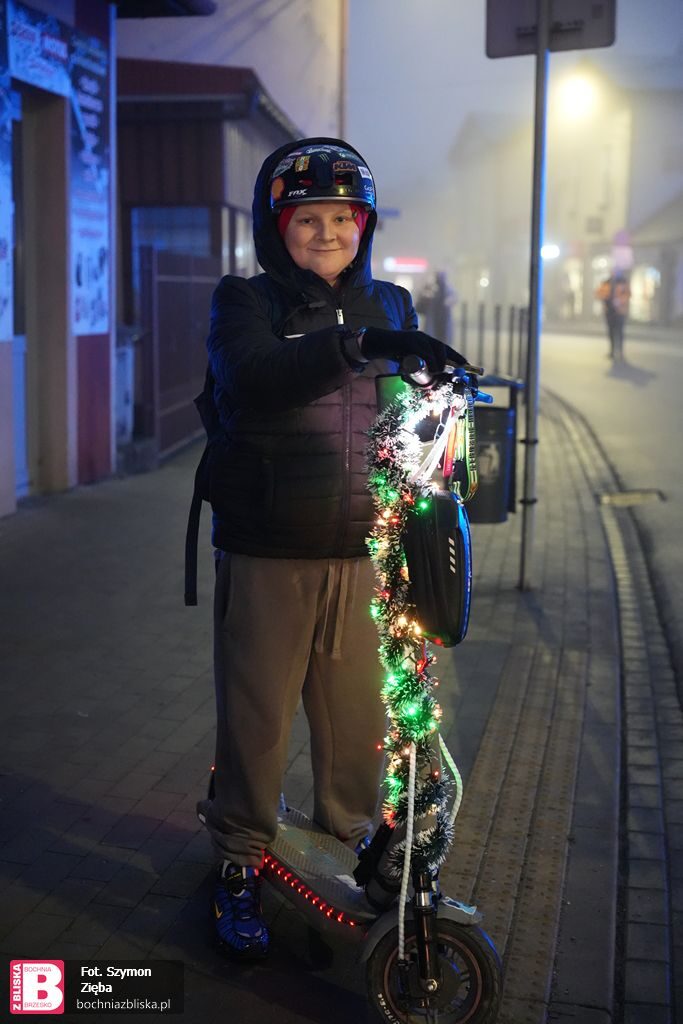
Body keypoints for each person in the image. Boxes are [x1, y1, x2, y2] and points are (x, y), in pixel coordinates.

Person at [195, 137, 467, 961]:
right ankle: (239, 861)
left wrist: (439, 407)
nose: (326, 233)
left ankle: (346, 848)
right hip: (268, 547)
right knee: (256, 723)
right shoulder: (243, 301)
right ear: (276, 227)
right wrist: (363, 346)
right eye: (307, 218)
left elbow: (404, 422)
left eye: (342, 218)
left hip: (364, 554)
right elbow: (253, 376)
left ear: (365, 226)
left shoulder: (391, 300)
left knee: (356, 727)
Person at [596, 272, 631, 361]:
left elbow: (628, 294)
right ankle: (612, 351)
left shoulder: (623, 282)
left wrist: (621, 302)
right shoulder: (606, 283)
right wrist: (605, 298)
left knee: (620, 332)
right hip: (609, 312)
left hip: (619, 312)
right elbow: (599, 294)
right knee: (611, 332)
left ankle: (620, 352)